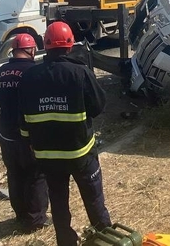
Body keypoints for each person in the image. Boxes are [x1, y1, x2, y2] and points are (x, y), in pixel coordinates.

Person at [18, 21, 111, 246]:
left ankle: (66, 242)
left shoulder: (30, 77)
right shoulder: (80, 72)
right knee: (94, 200)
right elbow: (98, 106)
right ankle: (107, 239)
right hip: (81, 153)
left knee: (59, 204)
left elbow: (23, 119)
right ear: (70, 44)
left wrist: (29, 142)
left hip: (48, 157)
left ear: (45, 46)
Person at [0, 33, 51, 230]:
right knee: (36, 175)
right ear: (31, 50)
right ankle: (36, 219)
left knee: (14, 174)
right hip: (29, 134)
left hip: (6, 134)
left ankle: (20, 215)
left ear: (13, 51)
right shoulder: (36, 71)